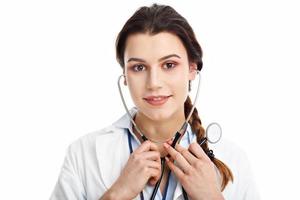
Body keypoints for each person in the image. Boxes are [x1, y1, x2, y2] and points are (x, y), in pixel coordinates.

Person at [50, 3, 260, 200]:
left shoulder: (234, 160)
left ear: (192, 69)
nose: (154, 83)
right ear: (124, 75)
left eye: (169, 65)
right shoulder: (82, 155)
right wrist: (117, 194)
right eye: (139, 67)